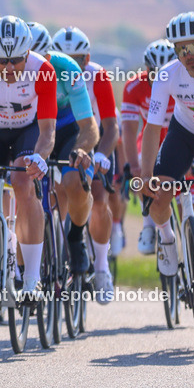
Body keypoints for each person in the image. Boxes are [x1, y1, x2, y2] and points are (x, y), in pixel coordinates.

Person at [141, 12, 194, 308]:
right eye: (180, 49)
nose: (187, 55)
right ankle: (167, 239)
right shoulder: (167, 74)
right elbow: (153, 128)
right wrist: (146, 175)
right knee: (158, 197)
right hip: (184, 135)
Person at [0, 16, 57, 296]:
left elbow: (48, 130)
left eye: (16, 60)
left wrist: (41, 156)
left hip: (27, 131)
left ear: (28, 53)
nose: (9, 68)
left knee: (23, 184)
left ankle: (32, 278)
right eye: (1, 61)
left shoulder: (42, 70)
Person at [54, 26, 119, 304]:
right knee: (57, 193)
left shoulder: (98, 76)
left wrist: (102, 154)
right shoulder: (50, 73)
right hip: (65, 135)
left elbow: (111, 126)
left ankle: (102, 267)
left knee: (100, 199)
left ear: (87, 59)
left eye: (78, 60)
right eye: (65, 58)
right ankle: (55, 256)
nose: (71, 64)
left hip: (97, 138)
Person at [41, 35, 100, 278]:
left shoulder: (67, 68)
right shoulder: (10, 68)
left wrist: (82, 149)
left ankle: (76, 237)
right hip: (35, 130)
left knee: (74, 182)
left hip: (68, 129)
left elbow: (90, 126)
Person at [121, 39, 177, 254]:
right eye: (154, 73)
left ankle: (190, 233)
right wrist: (133, 165)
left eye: (165, 72)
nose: (160, 78)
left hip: (178, 138)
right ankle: (148, 225)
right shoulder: (134, 86)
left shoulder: (184, 82)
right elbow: (128, 129)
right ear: (146, 69)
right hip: (150, 138)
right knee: (140, 169)